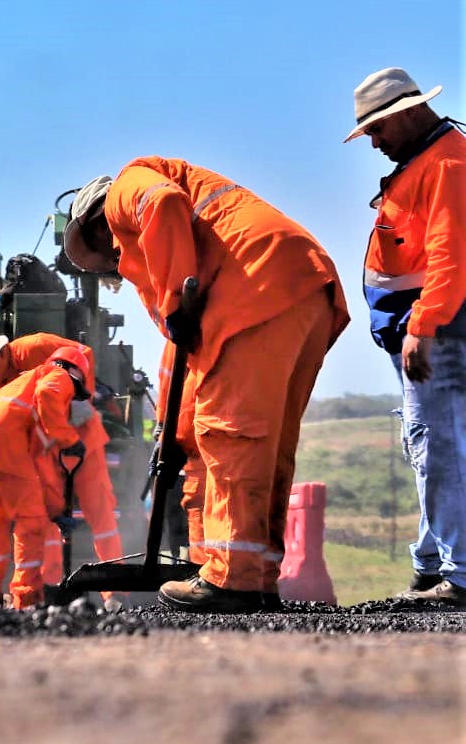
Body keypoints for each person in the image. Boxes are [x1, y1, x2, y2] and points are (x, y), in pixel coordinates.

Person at [63, 157, 349, 613]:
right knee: (264, 447)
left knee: (229, 436)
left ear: (100, 228)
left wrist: (174, 298)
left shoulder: (127, 192)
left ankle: (232, 581)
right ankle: (254, 578)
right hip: (302, 290)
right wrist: (174, 435)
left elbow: (162, 202)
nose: (118, 266)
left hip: (259, 291)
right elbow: (185, 358)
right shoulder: (193, 252)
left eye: (110, 258)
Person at [344, 68, 466, 604]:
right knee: (433, 446)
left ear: (409, 112)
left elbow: (451, 256)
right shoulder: (431, 161)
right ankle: (432, 563)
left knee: (438, 447)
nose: (373, 141)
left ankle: (459, 573)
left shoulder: (446, 164)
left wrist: (422, 325)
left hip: (438, 333)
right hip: (431, 332)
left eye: (377, 128)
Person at [0, 331, 124, 599]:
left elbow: (78, 357)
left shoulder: (37, 349)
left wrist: (82, 396)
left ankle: (114, 590)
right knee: (41, 515)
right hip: (37, 450)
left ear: (1, 354)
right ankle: (46, 589)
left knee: (100, 509)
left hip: (79, 435)